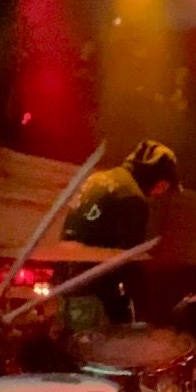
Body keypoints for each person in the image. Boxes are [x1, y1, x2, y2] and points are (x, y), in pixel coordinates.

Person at [57, 139, 180, 331]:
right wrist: (143, 311)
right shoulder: (131, 197)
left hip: (66, 291)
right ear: (157, 178)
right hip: (93, 300)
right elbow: (129, 261)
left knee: (73, 346)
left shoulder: (97, 179)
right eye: (165, 186)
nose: (161, 193)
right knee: (103, 350)